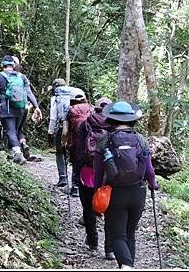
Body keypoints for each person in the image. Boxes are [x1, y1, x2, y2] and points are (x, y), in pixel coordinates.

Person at [94, 101, 159, 269]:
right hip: (138, 192)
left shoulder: (104, 141)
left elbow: (98, 173)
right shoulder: (140, 140)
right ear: (131, 119)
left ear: (111, 119)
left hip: (114, 193)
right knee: (130, 234)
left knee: (118, 235)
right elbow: (150, 170)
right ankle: (128, 265)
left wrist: (97, 194)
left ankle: (126, 265)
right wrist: (153, 184)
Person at [74, 97, 115, 258]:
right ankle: (109, 249)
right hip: (108, 174)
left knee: (88, 207)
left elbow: (79, 150)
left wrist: (76, 173)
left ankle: (92, 241)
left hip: (88, 171)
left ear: (95, 108)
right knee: (110, 210)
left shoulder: (86, 123)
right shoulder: (114, 124)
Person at [0, 55, 42, 164]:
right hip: (21, 109)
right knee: (16, 131)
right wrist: (37, 107)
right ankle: (21, 147)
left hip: (6, 109)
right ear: (13, 65)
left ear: (2, 65)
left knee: (10, 131)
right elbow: (29, 93)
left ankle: (17, 154)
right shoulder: (22, 77)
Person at [66, 87, 93, 197]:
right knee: (88, 164)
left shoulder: (70, 109)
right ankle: (90, 185)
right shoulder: (91, 109)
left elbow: (65, 130)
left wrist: (66, 142)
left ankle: (75, 187)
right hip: (91, 142)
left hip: (76, 142)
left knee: (76, 163)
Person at [47, 78, 72, 187]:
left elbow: (53, 118)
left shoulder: (55, 98)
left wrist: (50, 133)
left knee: (60, 151)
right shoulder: (73, 94)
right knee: (74, 154)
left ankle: (63, 178)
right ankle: (75, 186)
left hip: (62, 127)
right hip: (76, 128)